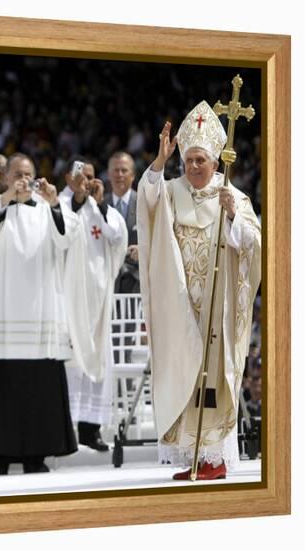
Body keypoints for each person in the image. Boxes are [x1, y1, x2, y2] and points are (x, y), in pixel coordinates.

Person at [137, 101, 261, 481]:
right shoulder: (171, 190)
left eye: (200, 161)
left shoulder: (234, 197)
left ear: (215, 162)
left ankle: (213, 458)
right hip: (180, 306)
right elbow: (148, 199)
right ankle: (191, 455)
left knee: (209, 378)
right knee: (185, 374)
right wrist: (159, 161)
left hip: (215, 306)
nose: (193, 167)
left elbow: (255, 244)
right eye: (188, 160)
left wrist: (234, 219)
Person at [0, 153, 81, 475]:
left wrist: (55, 205)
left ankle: (36, 456)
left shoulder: (47, 209)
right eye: (17, 175)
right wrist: (6, 198)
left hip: (39, 315)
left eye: (28, 174)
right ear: (6, 177)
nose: (23, 180)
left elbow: (69, 236)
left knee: (37, 389)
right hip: (1, 316)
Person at [59, 158, 127, 451]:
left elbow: (118, 238)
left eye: (90, 177)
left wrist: (99, 206)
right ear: (68, 177)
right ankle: (68, 430)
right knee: (72, 364)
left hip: (98, 299)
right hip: (69, 298)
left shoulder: (103, 210)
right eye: (80, 176)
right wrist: (78, 200)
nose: (85, 182)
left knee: (97, 359)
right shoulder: (60, 206)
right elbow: (59, 231)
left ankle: (91, 429)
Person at [105, 152, 139, 294]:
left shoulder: (144, 204)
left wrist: (143, 248)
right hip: (108, 279)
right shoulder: (98, 205)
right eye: (115, 170)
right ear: (108, 174)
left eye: (124, 170)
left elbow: (158, 237)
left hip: (137, 280)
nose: (119, 175)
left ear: (132, 175)